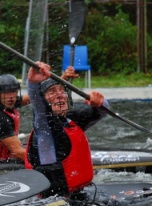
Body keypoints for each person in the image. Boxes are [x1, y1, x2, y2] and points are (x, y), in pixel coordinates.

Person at [25, 61, 108, 198]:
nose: (59, 94)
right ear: (44, 101)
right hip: (55, 203)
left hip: (79, 194)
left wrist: (99, 102)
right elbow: (39, 109)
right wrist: (33, 84)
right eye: (51, 92)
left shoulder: (70, 119)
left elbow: (103, 111)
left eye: (61, 90)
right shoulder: (45, 127)